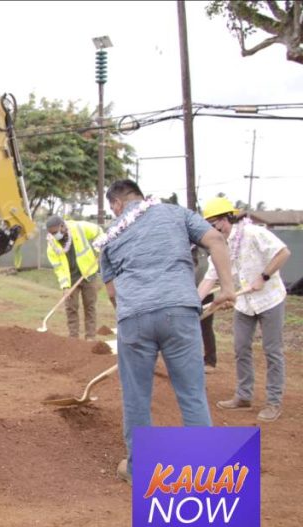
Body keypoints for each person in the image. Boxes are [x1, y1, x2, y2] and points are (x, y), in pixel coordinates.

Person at [97, 180, 236, 484]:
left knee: (136, 399)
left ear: (117, 204)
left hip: (134, 318)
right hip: (180, 313)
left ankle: (139, 469)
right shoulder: (175, 213)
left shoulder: (109, 235)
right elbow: (216, 240)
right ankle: (206, 471)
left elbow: (112, 293)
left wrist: (132, 317)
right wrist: (227, 288)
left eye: (112, 208)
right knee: (191, 394)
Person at [197, 197, 291, 422]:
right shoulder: (219, 247)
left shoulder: (254, 234)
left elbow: (283, 252)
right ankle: (243, 395)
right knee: (240, 348)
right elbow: (209, 279)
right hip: (245, 304)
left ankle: (273, 402)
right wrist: (195, 304)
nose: (210, 229)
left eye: (212, 224)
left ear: (225, 220)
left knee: (272, 350)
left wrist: (264, 276)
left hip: (270, 299)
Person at [44, 215, 103, 339]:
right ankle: (73, 339)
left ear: (62, 226)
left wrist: (99, 247)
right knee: (71, 308)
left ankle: (90, 338)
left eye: (55, 232)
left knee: (90, 306)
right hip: (70, 279)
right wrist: (65, 286)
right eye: (51, 233)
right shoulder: (51, 247)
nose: (54, 235)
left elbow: (99, 231)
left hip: (88, 274)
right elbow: (59, 268)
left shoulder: (79, 227)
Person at [193, 245, 218, 374]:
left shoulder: (204, 249)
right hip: (185, 294)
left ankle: (210, 360)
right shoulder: (179, 247)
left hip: (206, 293)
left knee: (206, 327)